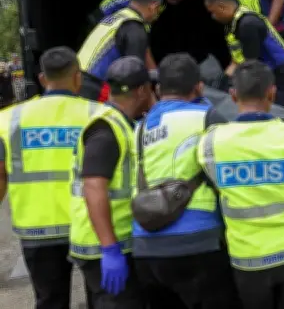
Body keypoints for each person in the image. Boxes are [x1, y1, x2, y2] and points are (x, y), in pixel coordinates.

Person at [197, 60, 284, 308]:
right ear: (272, 93)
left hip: (248, 258)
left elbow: (217, 192)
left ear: (233, 96)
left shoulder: (209, 144)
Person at [132, 54, 239, 309]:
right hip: (199, 242)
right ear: (199, 87)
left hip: (147, 247)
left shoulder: (139, 127)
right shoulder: (208, 118)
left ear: (157, 89)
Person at [0, 47, 99, 309]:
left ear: (43, 79)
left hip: (37, 228)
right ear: (78, 77)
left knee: (50, 301)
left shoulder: (9, 119)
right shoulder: (99, 115)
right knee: (102, 299)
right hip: (90, 224)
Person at [69, 56, 154, 308]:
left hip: (111, 240)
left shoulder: (122, 124)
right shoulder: (106, 130)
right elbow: (94, 187)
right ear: (141, 91)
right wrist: (110, 249)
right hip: (103, 245)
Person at [204, 0, 284, 106]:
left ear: (221, 7)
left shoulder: (248, 25)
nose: (213, 17)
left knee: (268, 111)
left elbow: (251, 66)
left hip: (282, 78)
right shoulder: (235, 23)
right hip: (270, 74)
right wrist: (222, 82)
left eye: (212, 12)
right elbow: (237, 60)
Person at [78, 0, 163, 102]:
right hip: (94, 88)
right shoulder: (135, 26)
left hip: (76, 79)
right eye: (158, 11)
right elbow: (134, 74)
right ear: (154, 7)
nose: (156, 17)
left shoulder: (114, 18)